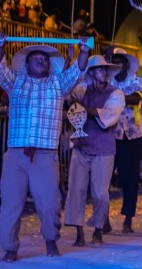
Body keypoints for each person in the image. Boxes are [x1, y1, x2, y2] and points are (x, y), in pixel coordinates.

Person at [0, 32, 89, 262]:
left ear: (50, 65)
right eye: (36, 57)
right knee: (10, 203)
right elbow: (0, 67)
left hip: (45, 154)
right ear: (27, 62)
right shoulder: (15, 81)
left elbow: (79, 70)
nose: (41, 59)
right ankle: (9, 248)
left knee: (50, 203)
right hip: (16, 154)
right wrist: (0, 45)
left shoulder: (58, 84)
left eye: (45, 58)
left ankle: (50, 239)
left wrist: (85, 51)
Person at [64, 55, 124, 246]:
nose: (104, 72)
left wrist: (83, 109)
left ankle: (98, 229)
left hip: (104, 149)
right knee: (76, 190)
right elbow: (67, 93)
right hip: (81, 147)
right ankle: (79, 232)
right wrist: (68, 64)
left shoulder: (116, 93)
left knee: (100, 193)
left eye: (105, 69)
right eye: (100, 69)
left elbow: (108, 116)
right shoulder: (83, 89)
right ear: (91, 72)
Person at [106, 47, 142, 234]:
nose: (116, 65)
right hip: (109, 135)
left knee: (130, 179)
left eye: (119, 61)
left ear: (126, 64)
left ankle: (128, 218)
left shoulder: (136, 80)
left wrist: (113, 97)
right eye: (113, 61)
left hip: (131, 136)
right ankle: (103, 218)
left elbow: (135, 100)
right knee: (103, 179)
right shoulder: (106, 80)